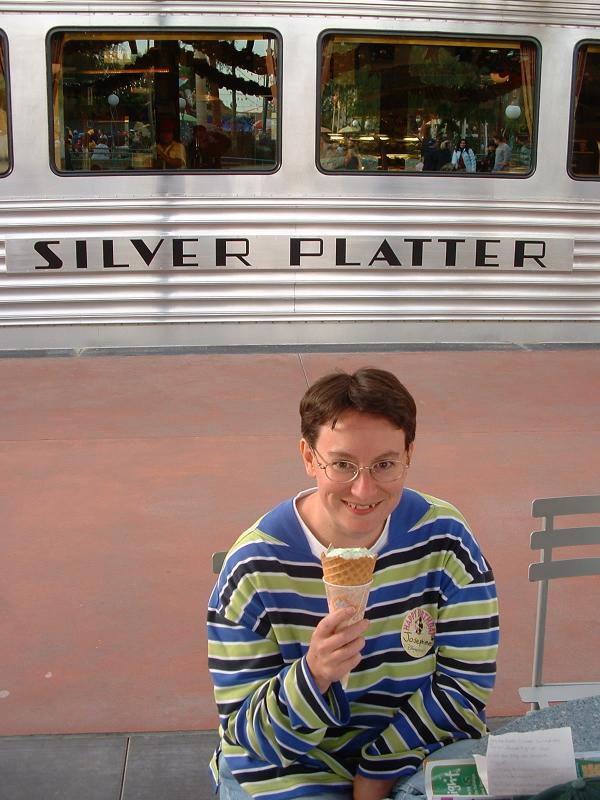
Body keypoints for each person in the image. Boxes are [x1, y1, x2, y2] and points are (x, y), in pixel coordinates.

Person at [208, 368, 499, 800]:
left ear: (408, 454)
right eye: (342, 464)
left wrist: (378, 771)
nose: (364, 490)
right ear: (309, 458)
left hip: (418, 750)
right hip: (290, 767)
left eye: (384, 464)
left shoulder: (446, 541)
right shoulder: (253, 570)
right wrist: (313, 676)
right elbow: (250, 735)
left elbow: (464, 684)